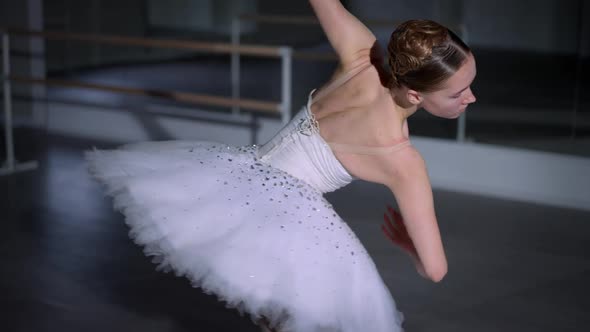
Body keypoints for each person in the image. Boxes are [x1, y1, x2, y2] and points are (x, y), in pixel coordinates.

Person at [86, 1, 477, 331]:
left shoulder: (361, 55)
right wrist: (410, 247)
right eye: (459, 92)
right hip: (289, 220)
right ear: (414, 93)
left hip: (239, 179)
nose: (470, 98)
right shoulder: (402, 160)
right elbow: (435, 270)